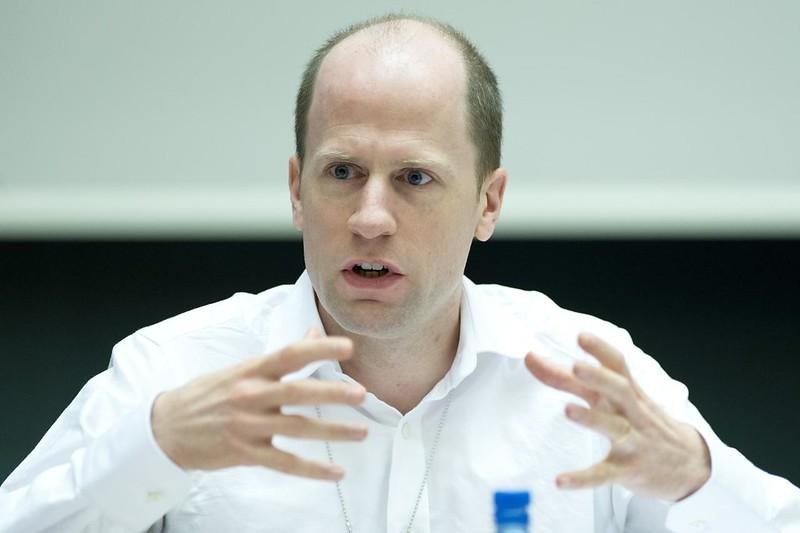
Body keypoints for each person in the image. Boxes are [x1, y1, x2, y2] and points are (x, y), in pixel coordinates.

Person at [1, 13, 798, 533]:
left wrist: (698, 477)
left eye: (414, 178)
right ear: (295, 189)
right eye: (341, 171)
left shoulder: (586, 376)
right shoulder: (175, 370)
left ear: (489, 204)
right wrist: (153, 452)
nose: (370, 216)